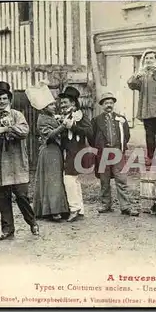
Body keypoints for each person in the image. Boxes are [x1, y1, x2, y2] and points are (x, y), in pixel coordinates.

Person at [0, 81, 39, 240]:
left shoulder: (17, 115)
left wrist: (7, 129)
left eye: (3, 98)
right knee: (3, 197)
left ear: (9, 99)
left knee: (22, 196)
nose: (1, 102)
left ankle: (32, 222)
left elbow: (24, 131)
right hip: (0, 164)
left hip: (16, 162)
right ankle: (8, 229)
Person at [90, 92, 139, 216]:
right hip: (103, 154)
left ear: (113, 104)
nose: (109, 105)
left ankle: (126, 206)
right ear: (102, 105)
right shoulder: (96, 120)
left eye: (111, 103)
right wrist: (99, 148)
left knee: (121, 179)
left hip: (117, 153)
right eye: (106, 103)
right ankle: (105, 204)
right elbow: (91, 137)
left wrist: (120, 147)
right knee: (104, 180)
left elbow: (126, 135)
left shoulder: (121, 119)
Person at [28, 86, 70, 221]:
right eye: (50, 105)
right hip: (49, 151)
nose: (54, 106)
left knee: (56, 179)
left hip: (55, 151)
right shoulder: (42, 119)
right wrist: (63, 126)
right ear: (44, 107)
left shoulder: (50, 116)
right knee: (52, 180)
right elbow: (50, 135)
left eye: (53, 104)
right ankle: (54, 210)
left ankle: (57, 208)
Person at [59, 86, 93, 222]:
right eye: (61, 103)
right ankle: (80, 208)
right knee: (74, 179)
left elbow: (89, 132)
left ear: (73, 102)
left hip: (76, 151)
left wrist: (72, 127)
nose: (62, 105)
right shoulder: (68, 115)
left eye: (65, 102)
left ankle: (74, 208)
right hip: (70, 151)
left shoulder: (80, 115)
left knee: (69, 179)